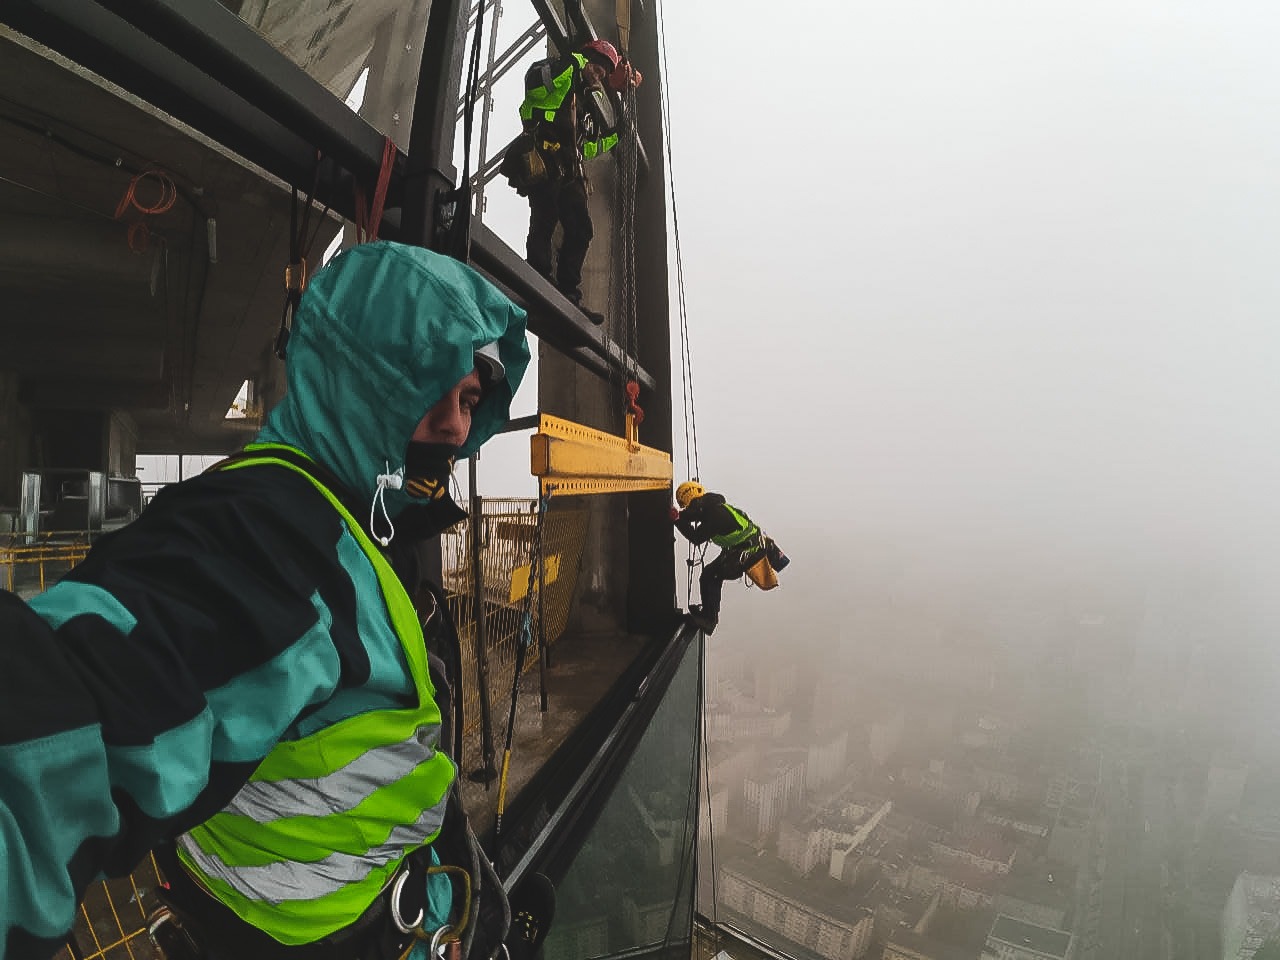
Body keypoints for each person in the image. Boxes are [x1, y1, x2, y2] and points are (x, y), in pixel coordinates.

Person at [0, 241, 535, 960]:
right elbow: (71, 706)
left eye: (469, 399)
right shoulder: (276, 536)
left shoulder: (357, 512)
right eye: (423, 384)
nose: (455, 425)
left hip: (266, 910)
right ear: (354, 377)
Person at [517, 38, 642, 324]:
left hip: (568, 169)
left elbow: (588, 147)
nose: (597, 75)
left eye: (602, 73)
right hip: (543, 156)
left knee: (581, 229)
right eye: (596, 68)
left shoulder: (584, 104)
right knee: (544, 217)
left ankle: (568, 293)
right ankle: (537, 275)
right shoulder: (559, 72)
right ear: (585, 58)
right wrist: (572, 62)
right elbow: (534, 82)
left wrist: (619, 131)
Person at [671, 481, 789, 635]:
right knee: (710, 575)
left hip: (747, 554)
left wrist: (676, 520)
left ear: (694, 501)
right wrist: (680, 516)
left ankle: (709, 619)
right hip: (743, 550)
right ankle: (708, 612)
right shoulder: (709, 506)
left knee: (710, 576)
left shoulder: (716, 514)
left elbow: (696, 537)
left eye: (688, 506)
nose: (688, 510)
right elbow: (693, 515)